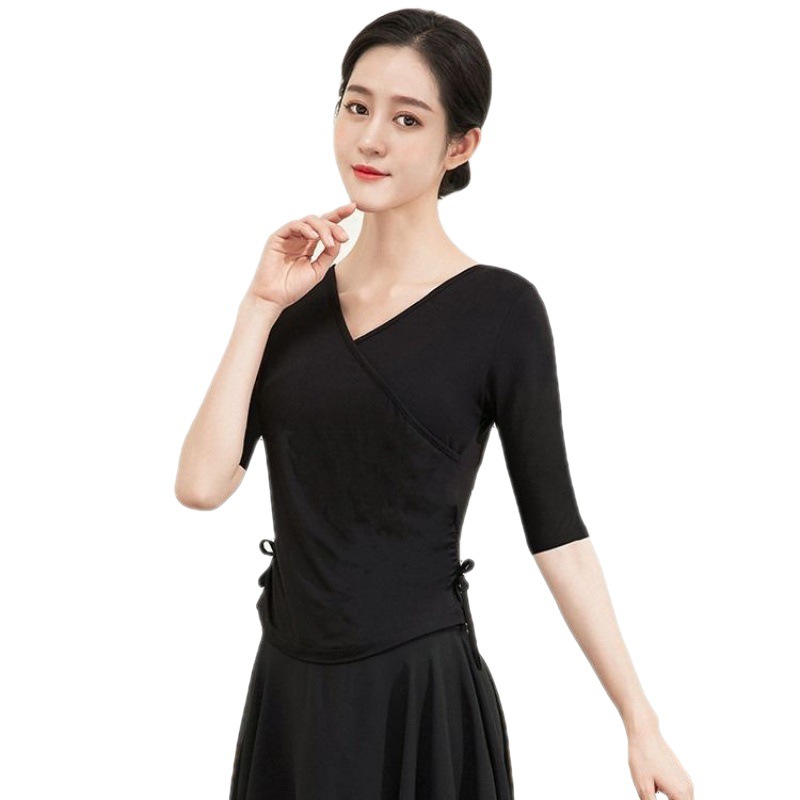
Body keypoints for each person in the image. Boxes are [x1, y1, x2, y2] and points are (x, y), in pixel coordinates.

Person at [175, 9, 694, 800]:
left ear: (461, 146)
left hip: (418, 697)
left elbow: (558, 533)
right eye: (356, 106)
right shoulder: (291, 302)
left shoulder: (500, 310)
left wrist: (640, 721)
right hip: (291, 693)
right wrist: (258, 305)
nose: (370, 139)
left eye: (407, 119)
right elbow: (202, 485)